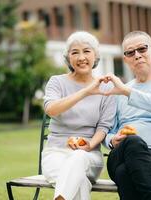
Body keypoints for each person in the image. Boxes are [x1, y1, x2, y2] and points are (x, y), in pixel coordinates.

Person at [103, 31, 151, 200]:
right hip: (120, 155)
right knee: (132, 141)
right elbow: (107, 131)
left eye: (142, 49)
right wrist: (111, 139)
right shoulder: (119, 93)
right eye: (130, 52)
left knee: (124, 173)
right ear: (126, 60)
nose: (137, 55)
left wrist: (127, 91)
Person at [42, 31, 116, 200]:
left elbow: (103, 127)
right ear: (68, 58)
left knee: (79, 157)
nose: (81, 57)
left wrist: (90, 145)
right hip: (56, 153)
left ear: (95, 55)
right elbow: (51, 109)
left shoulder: (106, 89)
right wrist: (86, 92)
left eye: (86, 51)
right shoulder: (57, 82)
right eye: (75, 52)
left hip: (89, 156)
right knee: (79, 181)